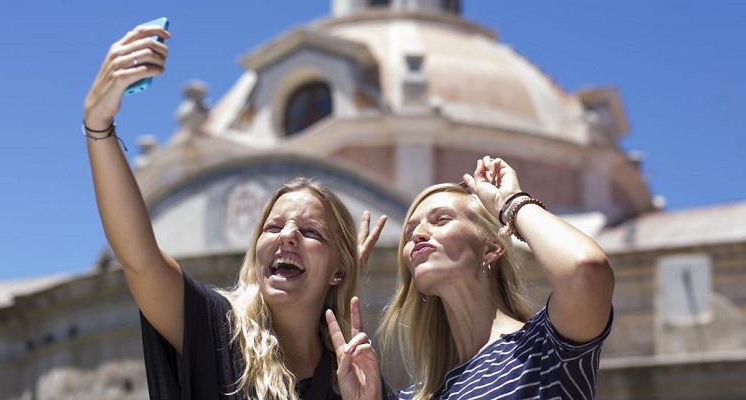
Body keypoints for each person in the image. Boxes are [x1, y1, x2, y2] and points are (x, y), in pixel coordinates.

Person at [83, 23, 391, 399]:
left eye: (311, 232)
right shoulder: (219, 335)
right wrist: (98, 126)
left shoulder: (354, 375)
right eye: (272, 227)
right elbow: (139, 259)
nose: (288, 235)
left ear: (339, 269)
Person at [378, 156, 615, 399]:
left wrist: (511, 203)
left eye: (441, 219)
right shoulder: (415, 396)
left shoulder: (545, 348)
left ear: (492, 248)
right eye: (409, 232)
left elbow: (585, 270)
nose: (418, 234)